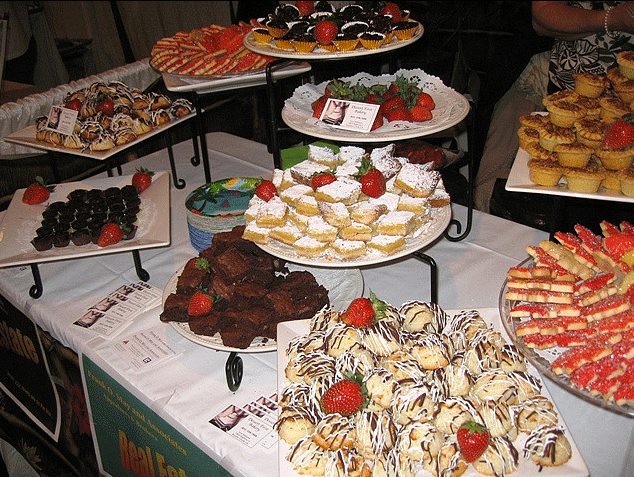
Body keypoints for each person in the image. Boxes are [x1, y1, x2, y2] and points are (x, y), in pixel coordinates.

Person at [474, 1, 634, 215]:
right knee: (501, 190)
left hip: (616, 115)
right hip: (566, 94)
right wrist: (612, 19)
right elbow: (542, 19)